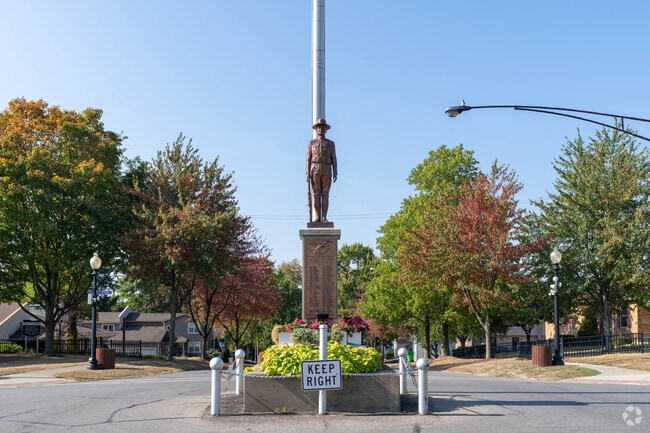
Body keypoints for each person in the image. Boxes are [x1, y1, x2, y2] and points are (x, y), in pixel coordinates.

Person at [306, 118, 337, 223]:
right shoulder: (311, 143)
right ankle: (317, 217)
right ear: (316, 129)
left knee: (325, 194)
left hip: (327, 169)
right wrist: (307, 173)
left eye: (322, 127)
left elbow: (334, 158)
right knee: (316, 194)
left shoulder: (330, 143)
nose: (320, 129)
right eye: (319, 127)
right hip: (315, 170)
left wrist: (335, 172)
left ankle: (324, 218)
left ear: (326, 130)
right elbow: (308, 159)